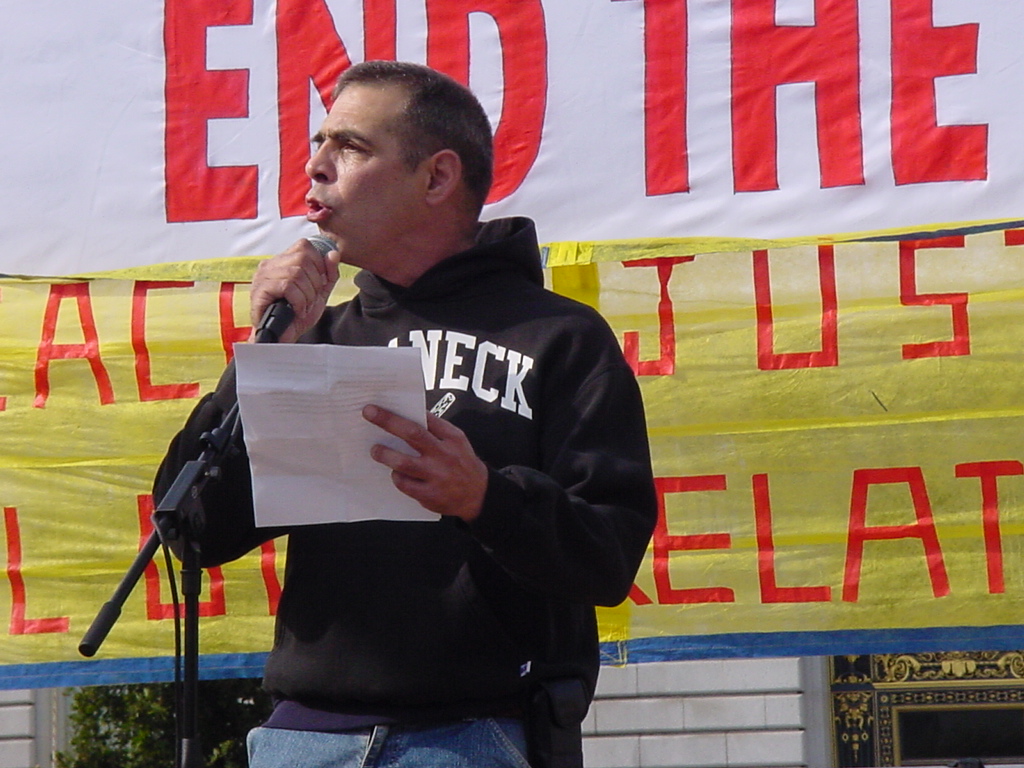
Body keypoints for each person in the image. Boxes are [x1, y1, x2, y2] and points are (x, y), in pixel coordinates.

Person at [155, 60, 657, 768]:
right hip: (304, 737)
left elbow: (608, 556)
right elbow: (193, 528)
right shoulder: (317, 337)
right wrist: (262, 356)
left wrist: (486, 498)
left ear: (437, 177)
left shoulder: (560, 338)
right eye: (319, 143)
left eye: (351, 146)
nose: (316, 166)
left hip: (476, 735)